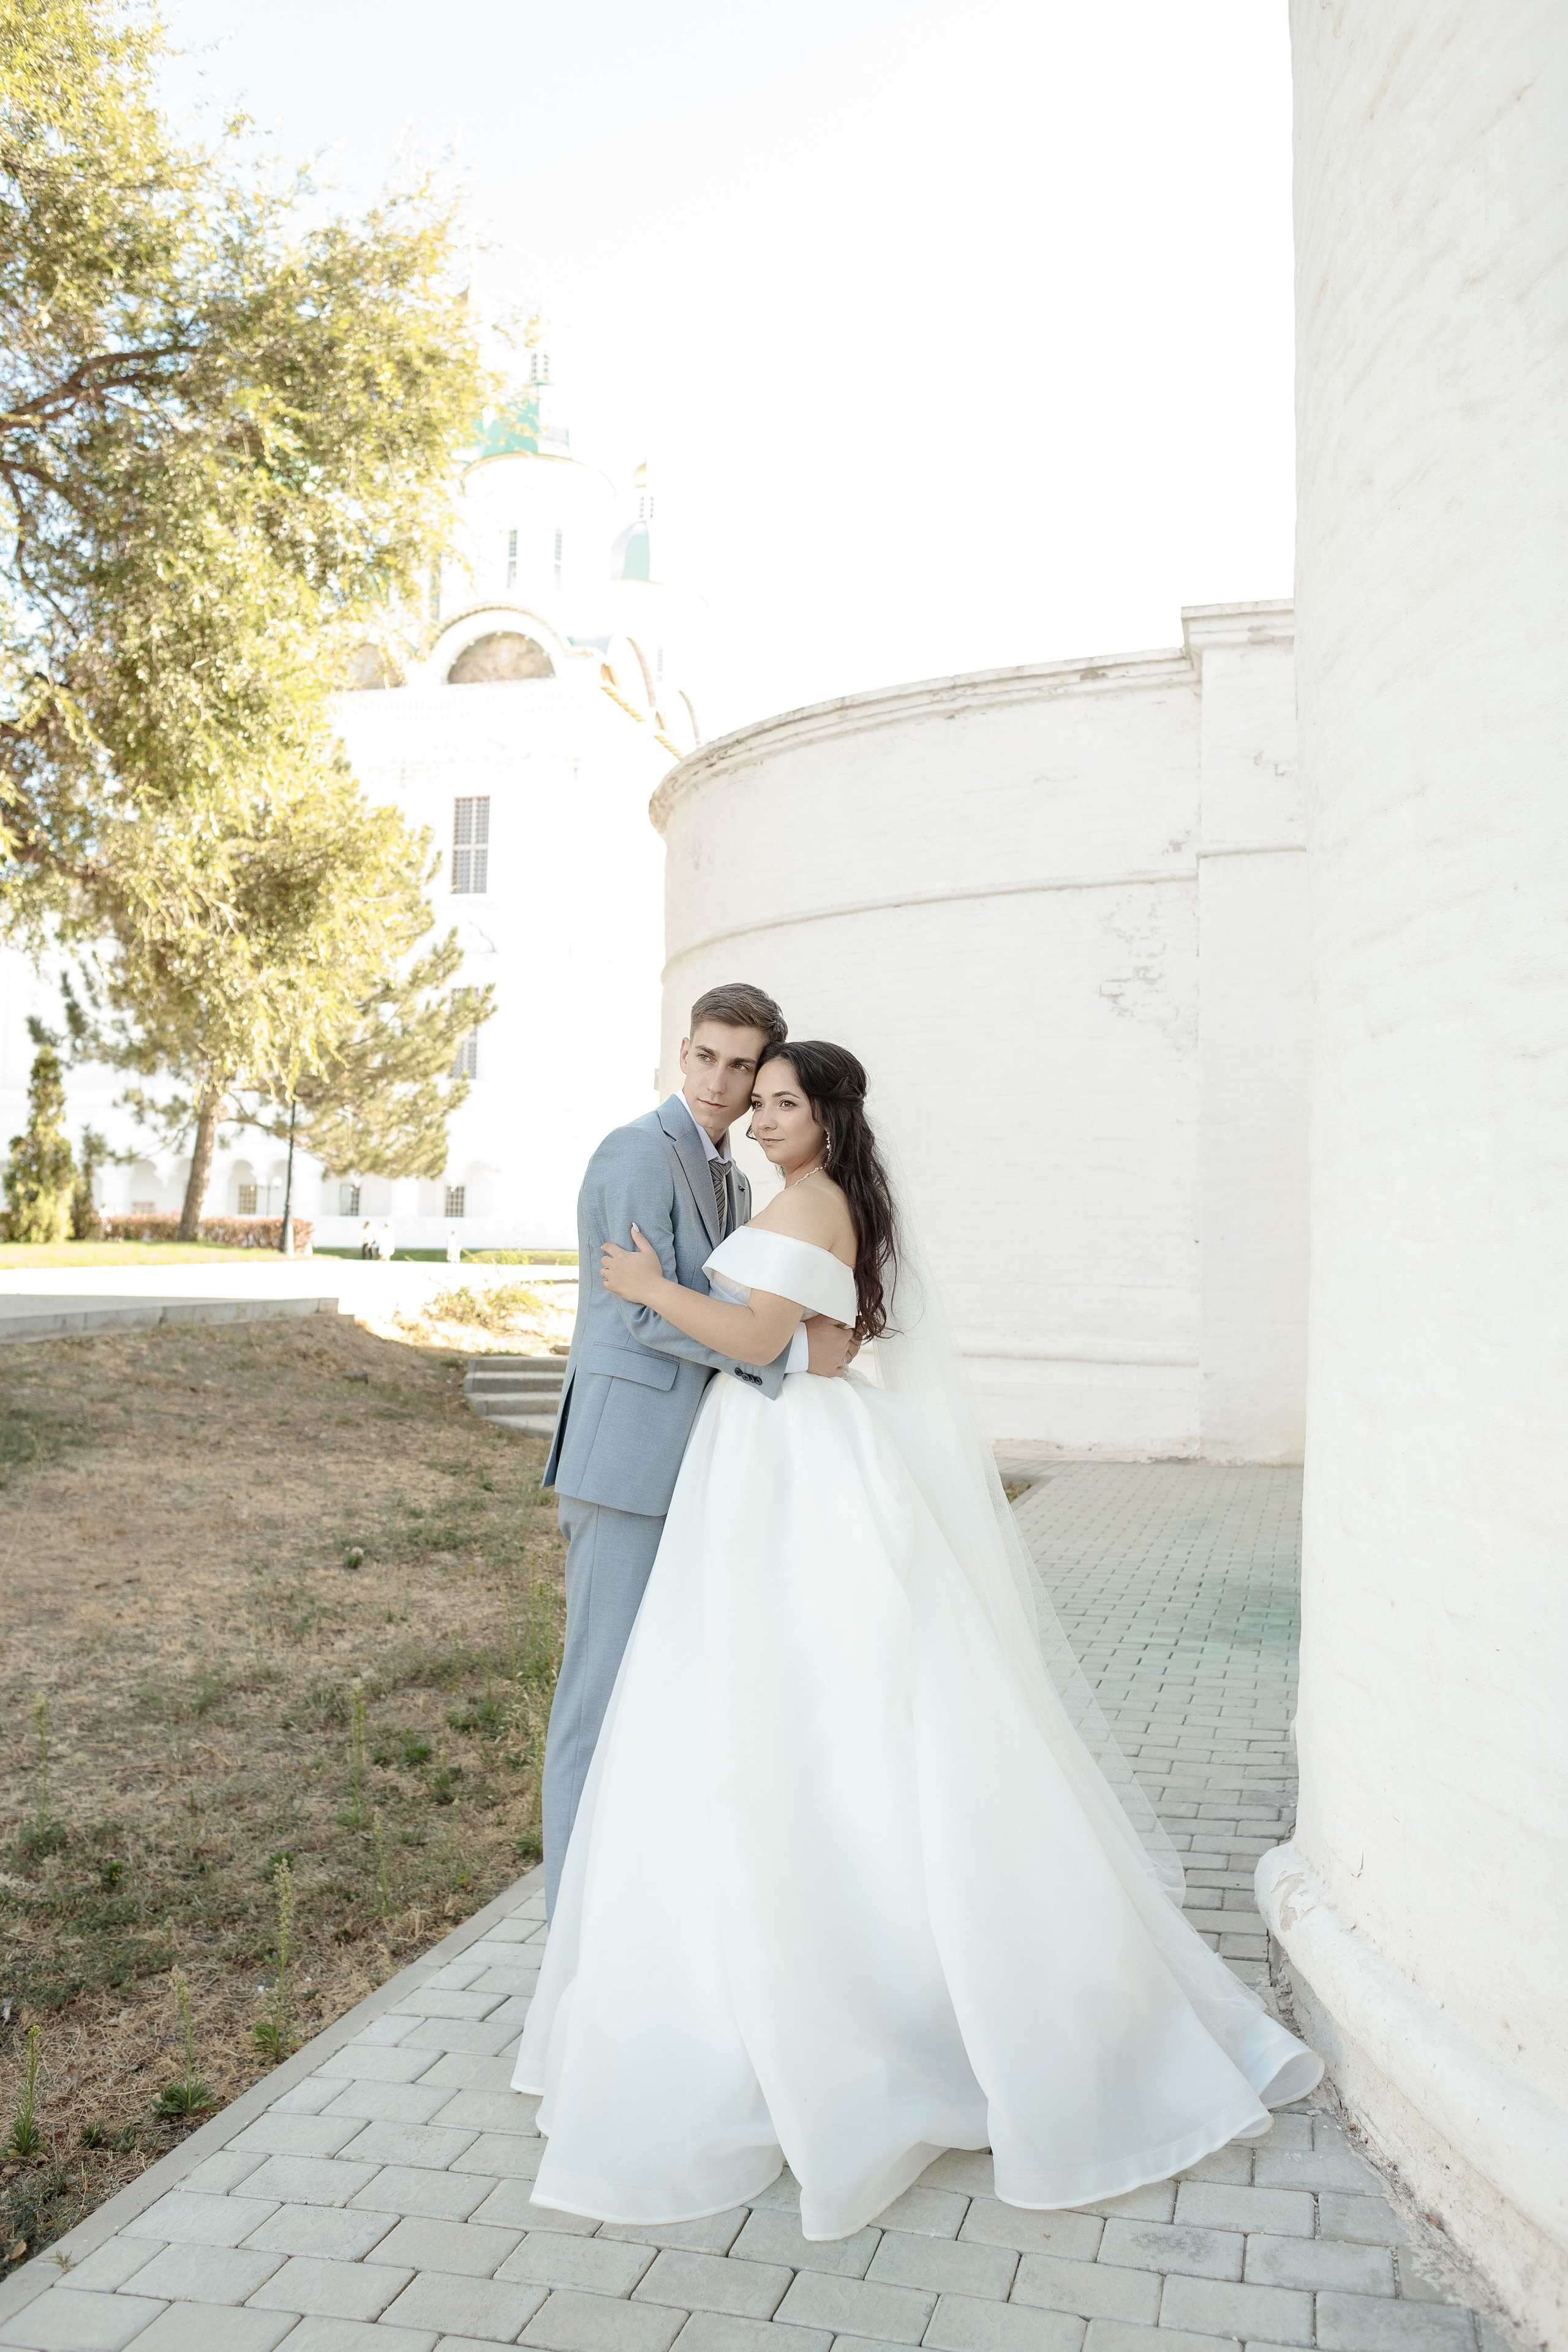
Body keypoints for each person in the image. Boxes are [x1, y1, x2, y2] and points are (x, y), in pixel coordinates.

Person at [513, 1039, 1321, 2239]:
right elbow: (788, 1339)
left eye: (782, 1100)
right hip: (774, 1453)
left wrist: (644, 1289)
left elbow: (747, 1342)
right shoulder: (792, 1194)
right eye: (754, 1097)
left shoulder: (805, 1198)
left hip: (790, 1462)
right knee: (764, 1704)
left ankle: (879, 2001)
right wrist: (768, 1332)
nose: (762, 1116)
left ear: (824, 1115)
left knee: (816, 1704)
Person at [538, 983, 858, 1917]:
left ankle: (640, 1909)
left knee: (663, 1696)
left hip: (696, 1465)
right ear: (683, 1054)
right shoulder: (637, 1152)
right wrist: (794, 1353)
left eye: (744, 1066)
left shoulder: (734, 1174)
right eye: (707, 1057)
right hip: (626, 1460)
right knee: (596, 1702)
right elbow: (637, 1310)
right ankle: (572, 1933)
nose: (722, 1082)